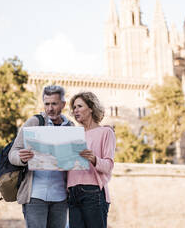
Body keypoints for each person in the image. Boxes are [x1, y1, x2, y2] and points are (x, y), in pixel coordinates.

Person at [9, 85, 74, 228]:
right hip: (34, 196)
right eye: (47, 104)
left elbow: (74, 162)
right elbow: (12, 154)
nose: (50, 108)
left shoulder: (71, 128)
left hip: (61, 198)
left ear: (63, 104)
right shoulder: (34, 122)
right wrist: (21, 157)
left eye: (54, 104)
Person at [67, 92, 116, 228]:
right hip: (72, 193)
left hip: (93, 192)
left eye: (79, 106)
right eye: (74, 107)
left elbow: (109, 166)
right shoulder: (73, 135)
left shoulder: (106, 132)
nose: (75, 110)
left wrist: (94, 159)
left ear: (91, 108)